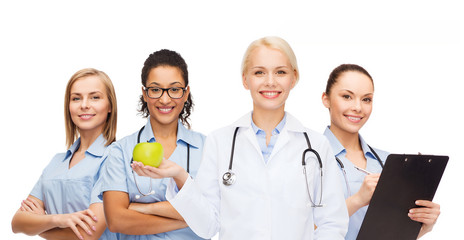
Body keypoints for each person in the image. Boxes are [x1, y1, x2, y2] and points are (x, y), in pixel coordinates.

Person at [131, 36, 349, 239]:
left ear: (294, 78)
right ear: (245, 80)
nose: (270, 82)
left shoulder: (316, 146)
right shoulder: (220, 142)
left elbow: (332, 223)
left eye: (280, 72)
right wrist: (180, 176)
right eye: (259, 72)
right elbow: (207, 226)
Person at [321, 63, 441, 239]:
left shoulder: (387, 162)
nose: (358, 107)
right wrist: (357, 200)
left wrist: (422, 226)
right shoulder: (307, 157)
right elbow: (297, 228)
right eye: (347, 96)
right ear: (326, 99)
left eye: (366, 99)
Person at [99, 49, 207, 240]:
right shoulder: (120, 151)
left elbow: (215, 210)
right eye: (156, 89)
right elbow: (116, 220)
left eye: (174, 89)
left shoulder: (208, 148)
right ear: (145, 93)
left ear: (186, 93)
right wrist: (190, 217)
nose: (165, 99)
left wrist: (142, 208)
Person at [11, 68, 119, 240]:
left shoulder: (115, 158)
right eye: (76, 98)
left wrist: (39, 226)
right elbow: (17, 223)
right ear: (68, 106)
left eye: (95, 97)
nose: (84, 105)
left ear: (110, 106)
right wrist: (58, 219)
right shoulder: (56, 162)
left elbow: (88, 233)